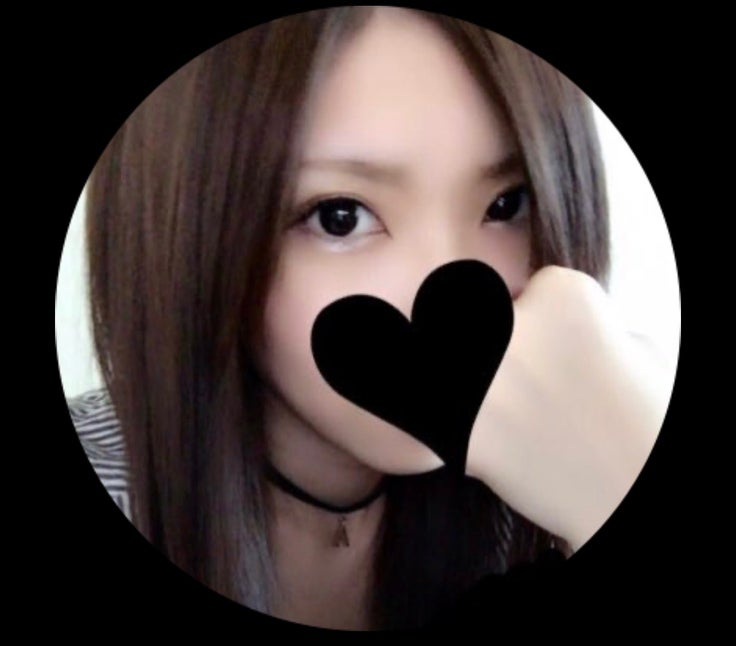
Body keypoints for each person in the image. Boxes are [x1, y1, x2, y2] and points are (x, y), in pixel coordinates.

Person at [68, 6, 672, 631]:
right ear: (190, 238)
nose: (453, 303)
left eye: (505, 205)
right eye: (340, 217)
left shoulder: (546, 489)